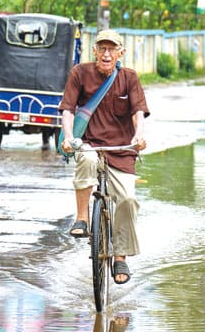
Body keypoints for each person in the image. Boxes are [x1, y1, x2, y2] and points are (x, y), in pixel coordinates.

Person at [59, 29, 149, 285]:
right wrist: (68, 137)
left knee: (128, 200)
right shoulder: (80, 73)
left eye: (112, 49)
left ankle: (120, 255)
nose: (106, 54)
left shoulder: (129, 78)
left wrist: (139, 137)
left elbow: (138, 112)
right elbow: (67, 109)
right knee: (85, 158)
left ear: (121, 52)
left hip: (121, 150)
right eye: (102, 49)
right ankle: (82, 218)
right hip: (91, 145)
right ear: (94, 51)